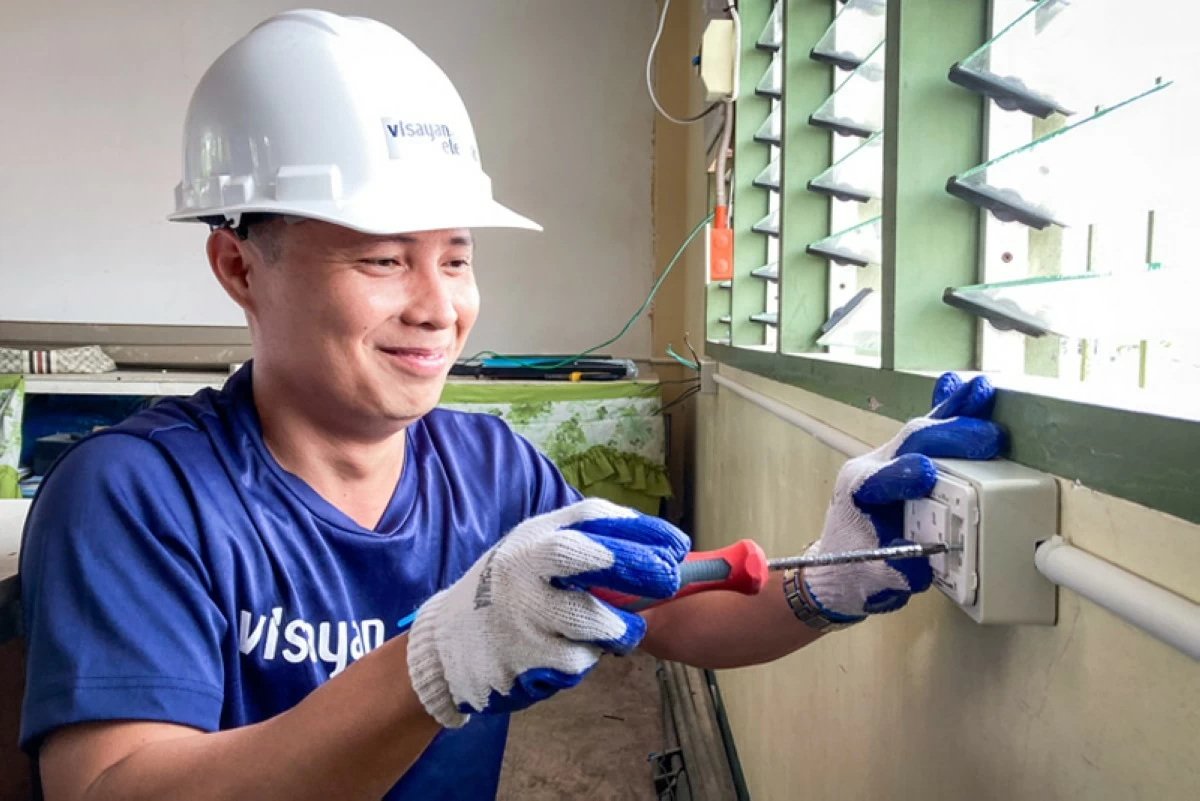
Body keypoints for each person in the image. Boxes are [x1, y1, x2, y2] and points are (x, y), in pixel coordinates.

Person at [18, 10, 1004, 801]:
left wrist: (825, 577)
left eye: (456, 255)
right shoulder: (133, 495)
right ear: (239, 265)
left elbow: (669, 616)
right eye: (382, 258)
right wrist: (435, 660)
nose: (437, 307)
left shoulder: (492, 469)